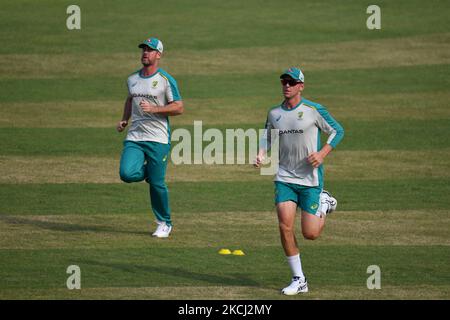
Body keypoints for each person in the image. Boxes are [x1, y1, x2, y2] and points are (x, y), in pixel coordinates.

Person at [254, 67, 344, 295]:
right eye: (284, 82)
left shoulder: (313, 110)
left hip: (310, 179)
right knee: (284, 226)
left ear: (300, 86)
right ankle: (299, 279)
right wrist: (261, 154)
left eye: (291, 82)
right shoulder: (274, 113)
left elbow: (337, 131)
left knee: (310, 233)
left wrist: (322, 153)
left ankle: (323, 202)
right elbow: (267, 135)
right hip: (284, 177)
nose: (286, 85)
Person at [117, 37, 183, 238]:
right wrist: (124, 119)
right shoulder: (132, 79)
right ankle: (149, 172)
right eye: (144, 49)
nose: (145, 53)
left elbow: (179, 107)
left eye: (150, 50)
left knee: (157, 183)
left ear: (158, 55)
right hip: (135, 136)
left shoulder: (165, 80)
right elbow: (130, 99)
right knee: (126, 173)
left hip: (158, 138)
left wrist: (154, 109)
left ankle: (165, 223)